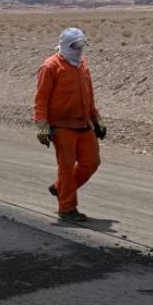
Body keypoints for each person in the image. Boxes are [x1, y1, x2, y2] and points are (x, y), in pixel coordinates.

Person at [33, 27, 106, 222]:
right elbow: (41, 100)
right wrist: (42, 126)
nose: (80, 49)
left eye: (82, 44)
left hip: (84, 123)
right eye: (76, 45)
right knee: (66, 167)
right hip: (62, 126)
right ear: (66, 45)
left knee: (91, 162)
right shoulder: (50, 67)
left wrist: (97, 119)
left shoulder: (82, 65)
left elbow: (89, 95)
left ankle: (60, 188)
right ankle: (67, 208)